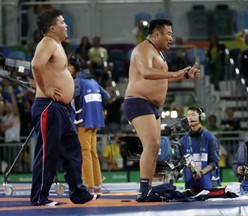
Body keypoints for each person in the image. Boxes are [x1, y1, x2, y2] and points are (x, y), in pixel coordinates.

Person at [123, 19, 201, 202]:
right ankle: (144, 191)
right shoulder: (143, 49)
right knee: (151, 145)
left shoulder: (157, 53)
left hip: (152, 105)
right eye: (169, 34)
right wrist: (174, 73)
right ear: (156, 34)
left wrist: (184, 75)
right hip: (138, 101)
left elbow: (160, 79)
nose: (171, 38)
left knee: (154, 146)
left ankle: (147, 189)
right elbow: (146, 72)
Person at [30, 8, 99, 206]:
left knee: (72, 149)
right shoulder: (47, 42)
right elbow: (36, 65)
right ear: (52, 28)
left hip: (59, 107)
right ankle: (39, 197)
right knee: (47, 153)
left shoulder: (57, 44)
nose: (66, 25)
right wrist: (45, 88)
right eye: (62, 22)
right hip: (48, 105)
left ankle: (78, 192)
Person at [68, 55, 110, 193]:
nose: (66, 69)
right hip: (95, 120)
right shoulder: (93, 81)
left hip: (83, 121)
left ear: (73, 68)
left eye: (68, 66)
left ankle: (88, 184)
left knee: (85, 152)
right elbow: (107, 96)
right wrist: (97, 108)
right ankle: (97, 184)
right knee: (92, 152)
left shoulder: (78, 81)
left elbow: (70, 96)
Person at [180, 107, 221, 193]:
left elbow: (214, 162)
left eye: (193, 115)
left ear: (201, 117)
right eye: (188, 115)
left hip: (209, 183)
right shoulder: (184, 140)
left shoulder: (210, 138)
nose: (190, 117)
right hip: (191, 184)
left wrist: (201, 173)